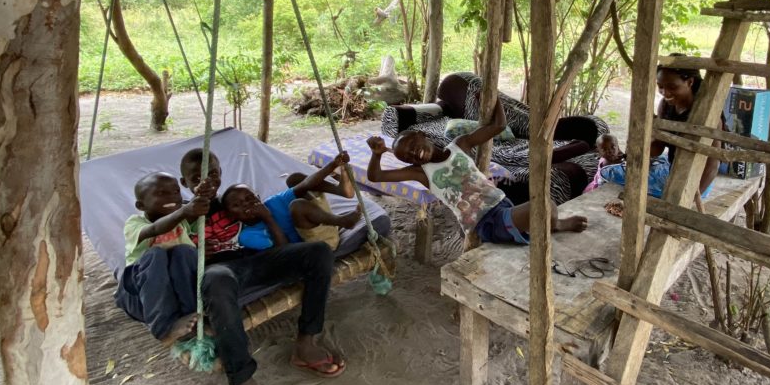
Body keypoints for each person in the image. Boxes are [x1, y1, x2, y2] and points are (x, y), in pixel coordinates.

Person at [178, 148, 345, 385]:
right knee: (215, 282)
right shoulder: (185, 214)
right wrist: (189, 213)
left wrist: (263, 213)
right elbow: (173, 248)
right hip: (221, 272)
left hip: (256, 261)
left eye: (213, 172)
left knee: (318, 252)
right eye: (198, 177)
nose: (208, 181)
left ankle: (306, 342)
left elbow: (279, 205)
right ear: (185, 183)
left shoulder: (232, 203)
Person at [367, 99, 588, 245]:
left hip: (502, 204)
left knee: (545, 204)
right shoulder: (421, 173)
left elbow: (498, 126)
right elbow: (376, 177)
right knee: (543, 207)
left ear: (420, 134)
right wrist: (377, 154)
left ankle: (545, 225)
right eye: (408, 157)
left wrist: (494, 99)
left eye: (413, 146)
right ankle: (554, 225)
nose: (414, 154)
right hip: (486, 222)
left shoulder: (459, 145)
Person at [114, 172, 210, 343]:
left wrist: (202, 195)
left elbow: (200, 210)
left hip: (174, 296)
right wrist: (183, 212)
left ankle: (193, 314)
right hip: (141, 299)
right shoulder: (134, 223)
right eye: (161, 193)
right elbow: (154, 230)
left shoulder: (182, 217)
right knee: (155, 254)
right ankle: (163, 327)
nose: (172, 196)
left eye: (175, 191)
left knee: (185, 252)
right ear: (141, 205)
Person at [220, 152, 356, 252]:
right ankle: (341, 221)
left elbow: (304, 185)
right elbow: (285, 252)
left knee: (295, 180)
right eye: (237, 205)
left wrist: (332, 165)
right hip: (316, 247)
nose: (245, 204)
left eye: (249, 198)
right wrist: (267, 217)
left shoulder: (272, 203)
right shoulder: (247, 236)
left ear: (259, 198)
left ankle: (341, 191)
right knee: (297, 206)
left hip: (324, 229)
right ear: (230, 215)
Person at [656, 65, 720, 196]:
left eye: (672, 87)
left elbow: (712, 164)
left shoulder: (708, 115)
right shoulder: (665, 106)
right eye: (660, 87)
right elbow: (658, 148)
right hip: (673, 169)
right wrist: (650, 133)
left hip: (698, 180)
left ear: (690, 82)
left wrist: (690, 197)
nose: (665, 93)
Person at [595, 137, 675, 199]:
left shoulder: (618, 156)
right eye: (605, 149)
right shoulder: (606, 164)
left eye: (613, 147)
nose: (610, 151)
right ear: (598, 151)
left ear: (618, 147)